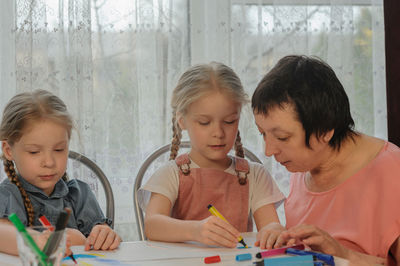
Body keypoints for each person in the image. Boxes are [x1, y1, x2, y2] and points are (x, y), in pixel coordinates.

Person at [251, 55, 400, 265]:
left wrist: (344, 255)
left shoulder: (392, 172)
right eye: (262, 133)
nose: (268, 151)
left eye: (283, 137)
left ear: (324, 130)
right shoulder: (303, 166)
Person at [138, 62, 285, 249]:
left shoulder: (254, 175)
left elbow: (270, 227)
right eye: (205, 122)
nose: (218, 132)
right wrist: (195, 230)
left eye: (229, 121)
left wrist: (274, 230)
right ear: (182, 121)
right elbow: (152, 226)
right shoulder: (172, 174)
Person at [0, 90, 121, 254]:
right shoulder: (8, 195)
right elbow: (3, 234)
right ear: (9, 150)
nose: (49, 162)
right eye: (34, 152)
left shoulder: (79, 194)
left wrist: (104, 235)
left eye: (59, 149)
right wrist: (38, 241)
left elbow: (100, 237)